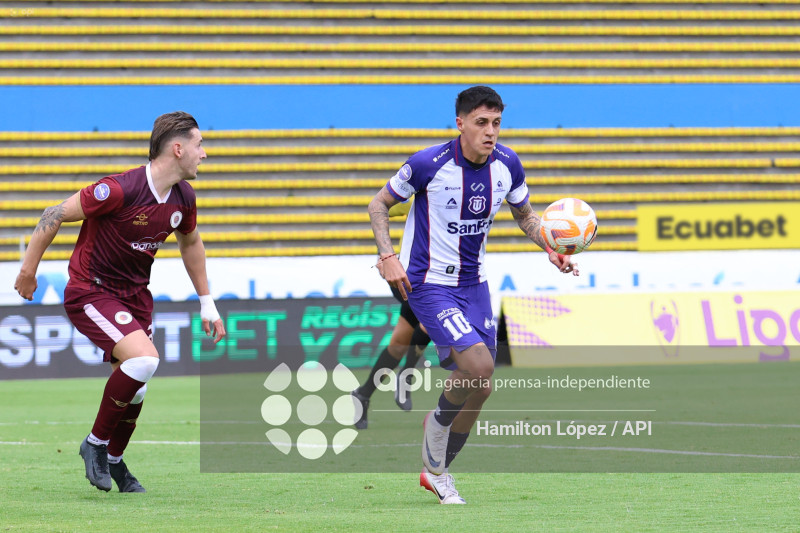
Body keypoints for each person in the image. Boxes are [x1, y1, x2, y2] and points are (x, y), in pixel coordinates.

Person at [366, 86, 578, 505]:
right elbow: (378, 204)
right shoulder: (428, 164)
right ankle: (437, 428)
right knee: (479, 365)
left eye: (496, 123)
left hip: (474, 284)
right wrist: (387, 255)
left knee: (481, 387)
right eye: (482, 122)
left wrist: (550, 247)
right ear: (460, 123)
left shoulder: (508, 165)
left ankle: (438, 472)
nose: (491, 132)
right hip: (428, 283)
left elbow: (527, 217)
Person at [14, 111, 226, 493]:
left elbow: (191, 244)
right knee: (145, 359)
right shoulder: (118, 190)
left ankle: (113, 461)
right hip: (91, 290)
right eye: (199, 145)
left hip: (135, 298)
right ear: (177, 149)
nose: (204, 154)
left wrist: (206, 301)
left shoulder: (183, 198)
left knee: (137, 384)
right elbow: (54, 214)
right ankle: (93, 445)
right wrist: (28, 271)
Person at [351, 279, 431, 429]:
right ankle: (406, 374)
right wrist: (384, 257)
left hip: (436, 279)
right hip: (410, 276)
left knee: (398, 347)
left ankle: (363, 394)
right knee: (431, 317)